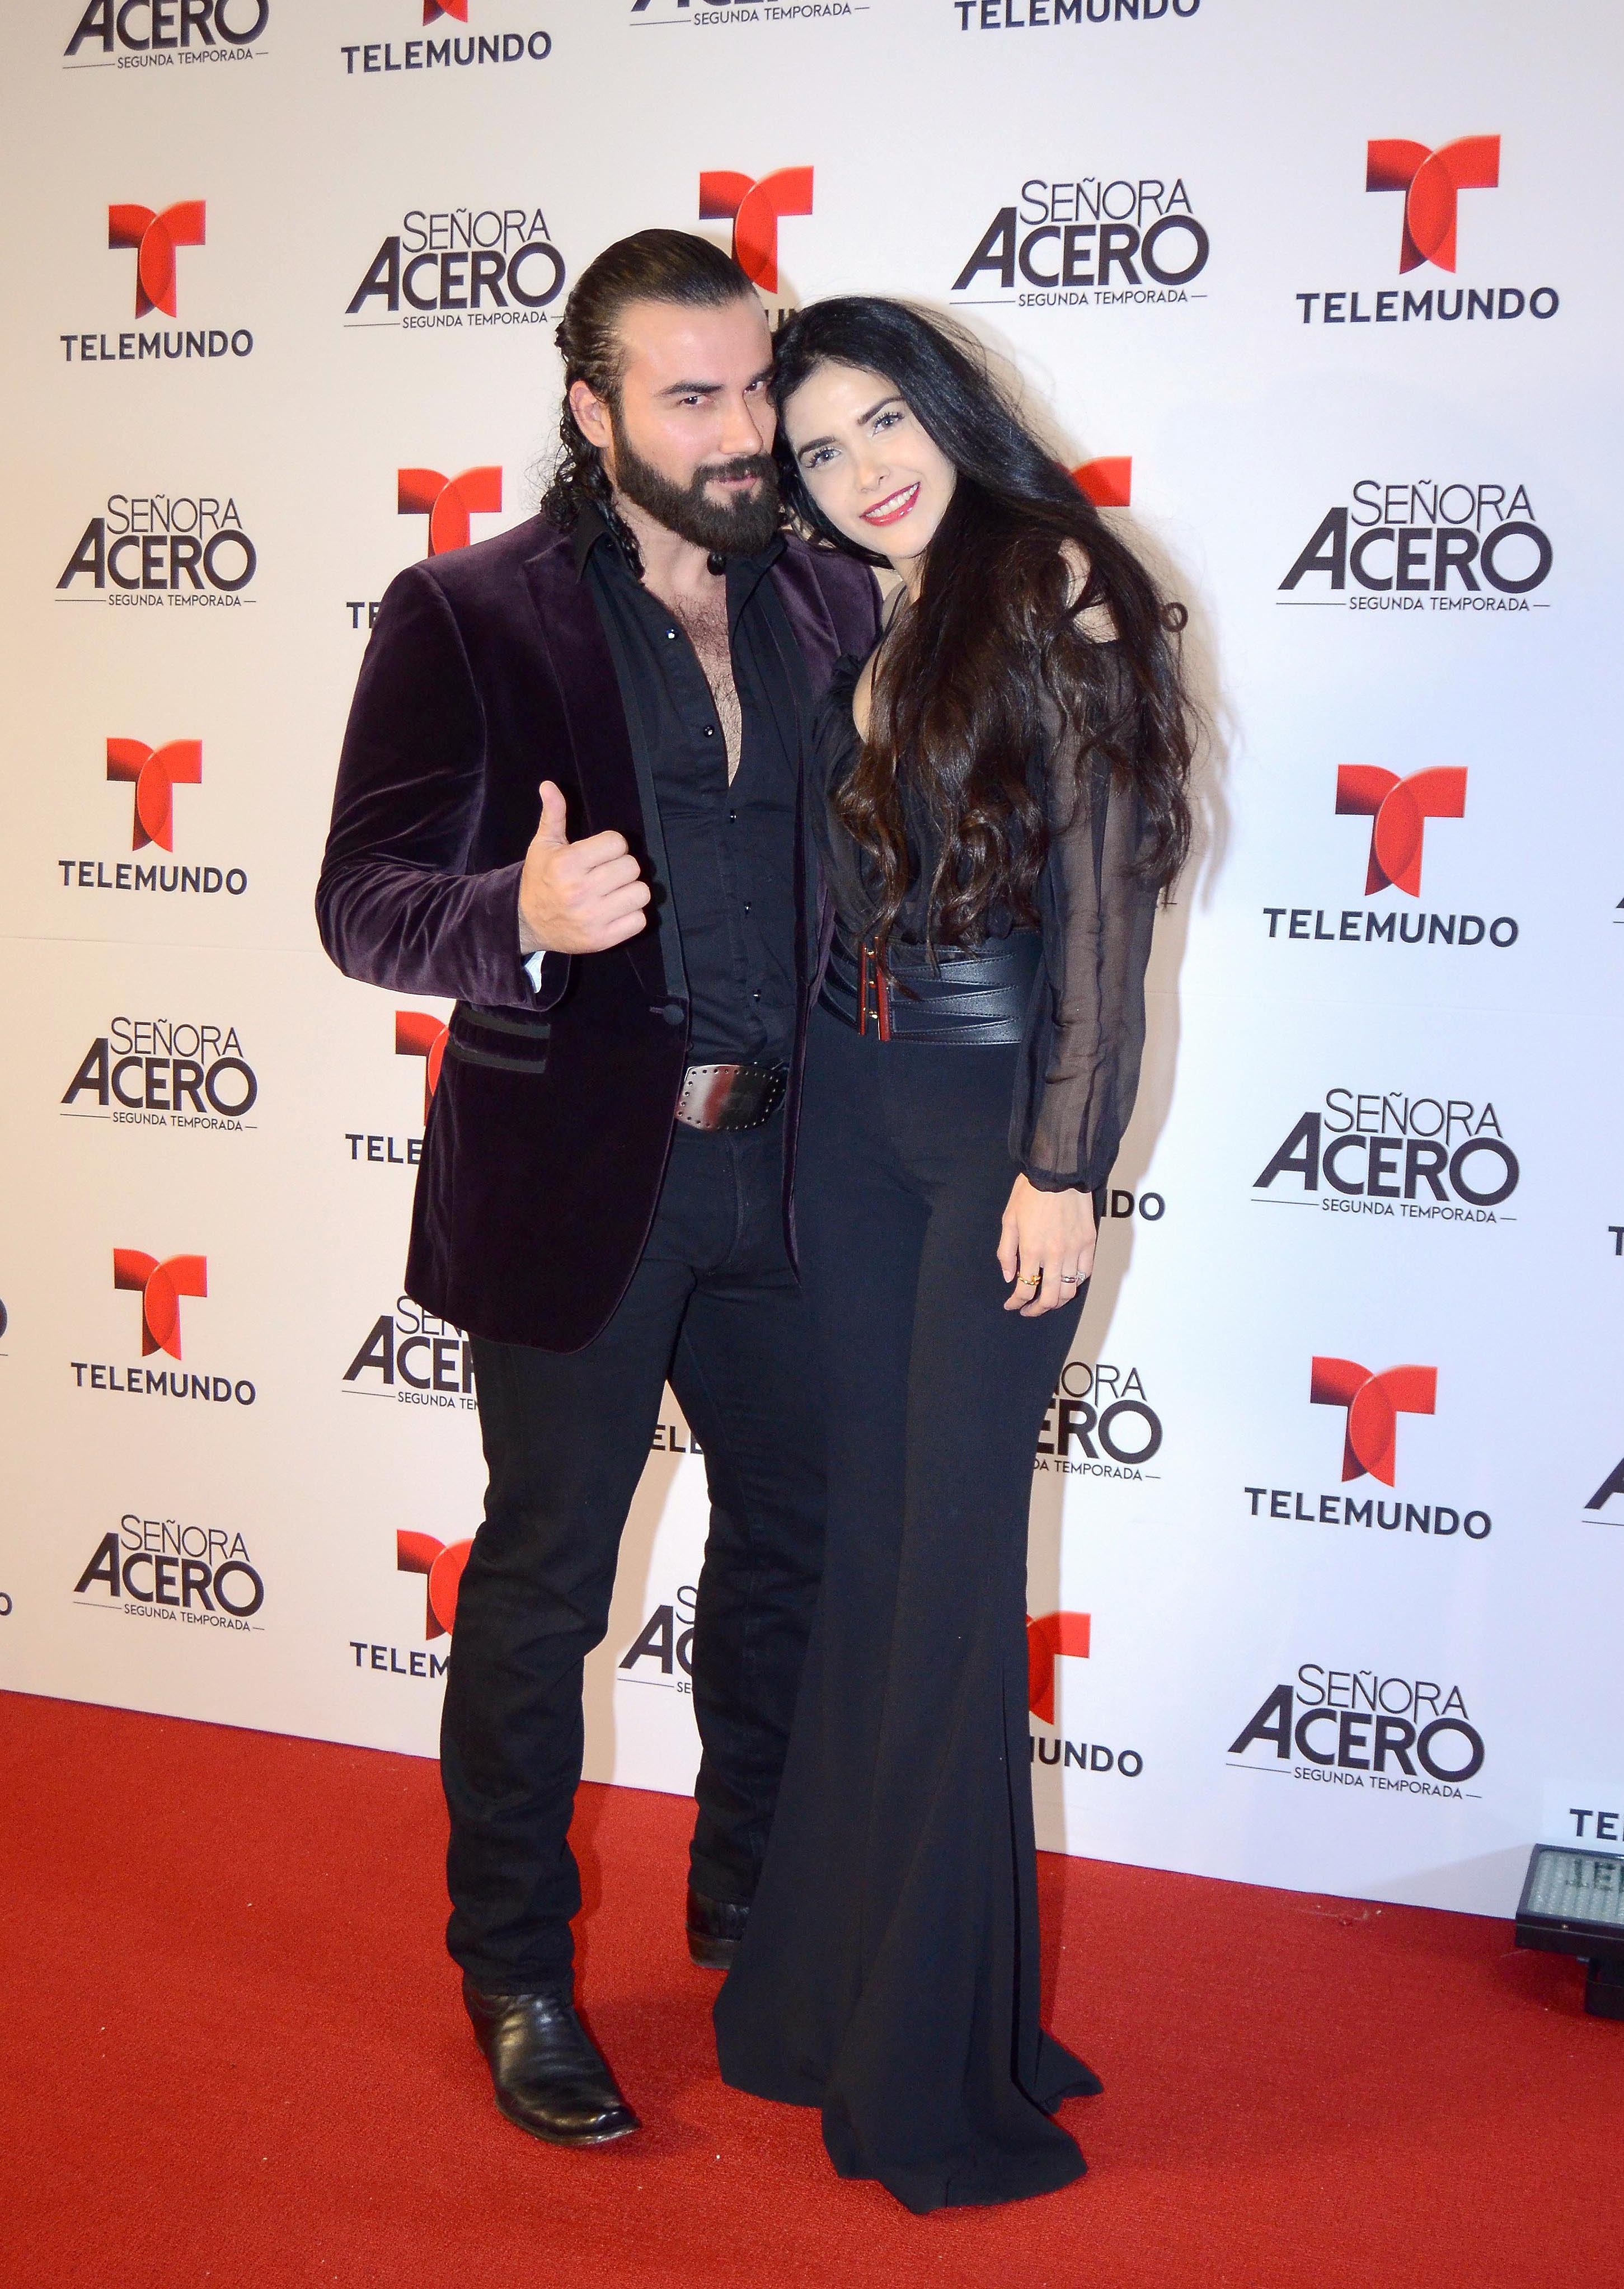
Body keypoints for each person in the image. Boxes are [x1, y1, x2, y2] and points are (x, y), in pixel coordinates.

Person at [316, 233, 881, 2149]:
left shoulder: (830, 600)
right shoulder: (469, 612)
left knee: (795, 1550)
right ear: (593, 412)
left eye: (755, 387)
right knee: (547, 1584)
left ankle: (749, 1890)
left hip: (794, 1179)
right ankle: (519, 1967)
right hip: (584, 1189)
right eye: (692, 398)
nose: (743, 435)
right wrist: (520, 917)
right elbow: (359, 901)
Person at [712, 298, 1194, 2212]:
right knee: (876, 1568)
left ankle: (930, 2062)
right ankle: (835, 1996)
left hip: (996, 1139)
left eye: (885, 421)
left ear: (953, 409)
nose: (863, 470)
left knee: (946, 1588)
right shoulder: (888, 610)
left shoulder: (1052, 579)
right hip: (860, 1119)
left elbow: (1102, 910)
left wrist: (1063, 1165)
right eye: (821, 450)